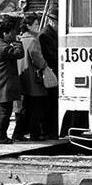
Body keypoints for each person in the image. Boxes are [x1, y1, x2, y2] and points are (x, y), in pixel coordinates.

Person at [0, 16, 24, 144]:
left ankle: (2, 136)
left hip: (2, 85)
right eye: (12, 33)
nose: (14, 35)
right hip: (4, 85)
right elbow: (19, 54)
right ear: (5, 33)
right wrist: (18, 43)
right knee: (5, 113)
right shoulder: (3, 47)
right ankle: (1, 136)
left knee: (6, 112)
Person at [15, 13, 51, 141]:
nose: (38, 26)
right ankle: (35, 133)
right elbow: (37, 59)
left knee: (26, 107)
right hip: (34, 79)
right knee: (37, 107)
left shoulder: (20, 40)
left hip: (23, 77)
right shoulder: (33, 41)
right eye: (35, 24)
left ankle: (18, 133)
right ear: (28, 26)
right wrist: (46, 66)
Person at [38, 10, 60, 139]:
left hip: (55, 72)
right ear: (52, 21)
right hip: (51, 73)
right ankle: (48, 131)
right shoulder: (45, 35)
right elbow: (50, 57)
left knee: (53, 103)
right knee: (50, 103)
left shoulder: (52, 34)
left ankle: (52, 131)